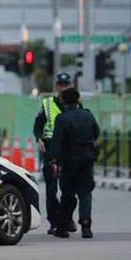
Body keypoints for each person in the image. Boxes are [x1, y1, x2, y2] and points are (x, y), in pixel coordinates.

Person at [48, 87, 99, 239]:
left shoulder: (62, 119)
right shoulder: (88, 115)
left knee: (67, 193)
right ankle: (86, 225)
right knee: (85, 192)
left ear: (63, 102)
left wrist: (54, 161)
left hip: (69, 159)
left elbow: (57, 141)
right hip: (87, 157)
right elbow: (96, 132)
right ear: (78, 100)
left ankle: (62, 226)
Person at [33, 72, 78, 235]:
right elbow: (38, 125)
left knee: (69, 188)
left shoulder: (76, 103)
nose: (64, 88)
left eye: (67, 85)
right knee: (51, 188)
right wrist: (39, 138)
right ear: (57, 87)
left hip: (69, 149)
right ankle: (54, 221)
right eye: (61, 85)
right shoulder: (47, 104)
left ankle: (67, 218)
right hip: (50, 147)